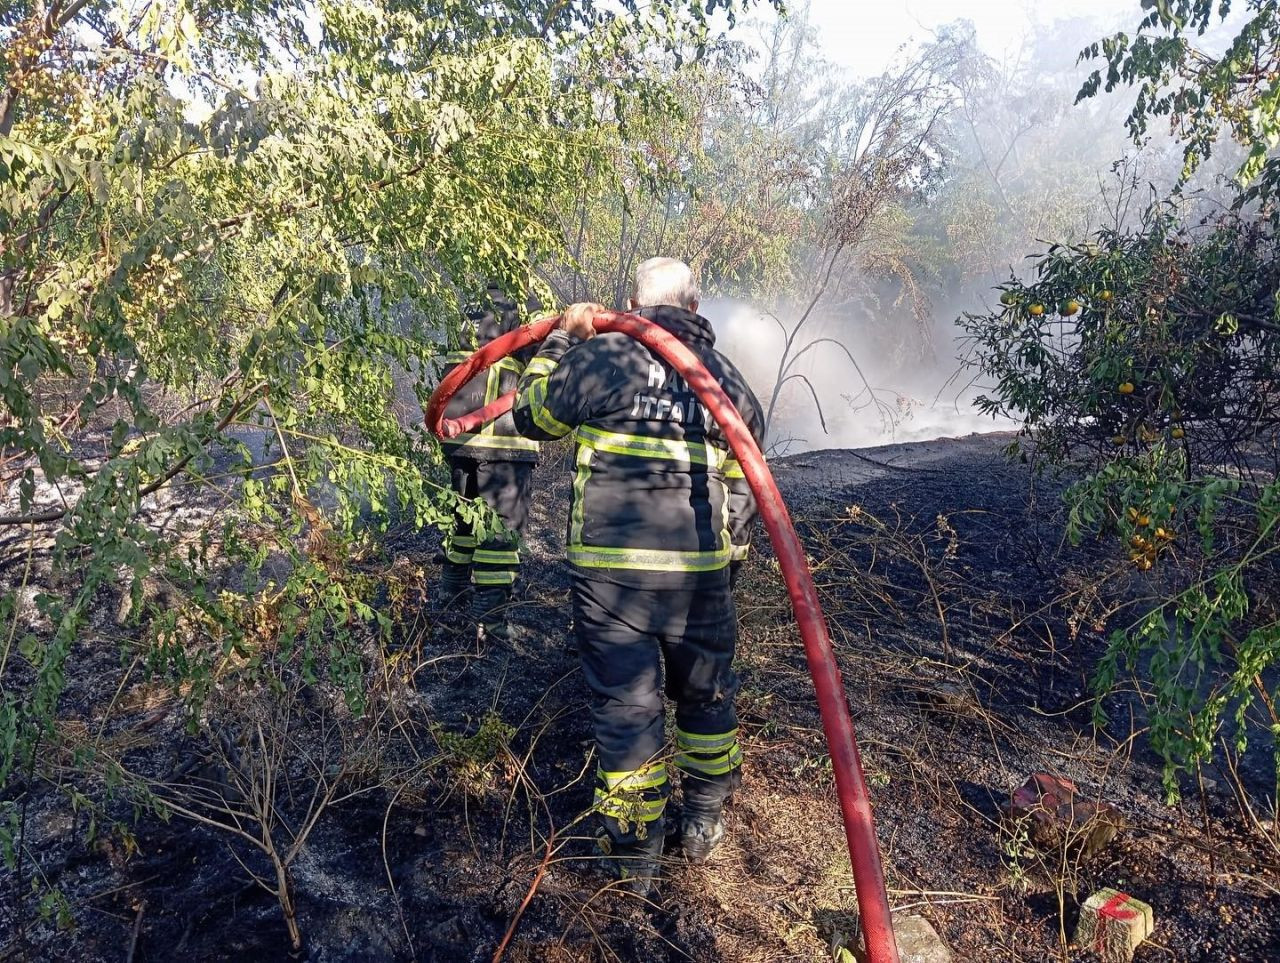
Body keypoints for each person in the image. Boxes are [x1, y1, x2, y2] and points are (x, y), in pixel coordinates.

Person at [512, 257, 764, 895]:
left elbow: (532, 417)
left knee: (629, 709)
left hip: (614, 577)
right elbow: (747, 473)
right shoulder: (725, 378)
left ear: (633, 303)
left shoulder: (605, 359)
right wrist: (729, 558)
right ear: (695, 308)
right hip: (703, 576)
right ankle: (704, 822)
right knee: (705, 694)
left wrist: (563, 341)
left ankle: (634, 854)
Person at [436, 284, 542, 643]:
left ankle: (450, 595)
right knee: (500, 535)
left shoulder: (458, 294)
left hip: (458, 438)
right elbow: (542, 361)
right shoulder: (523, 301)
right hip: (504, 440)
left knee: (463, 523)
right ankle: (491, 621)